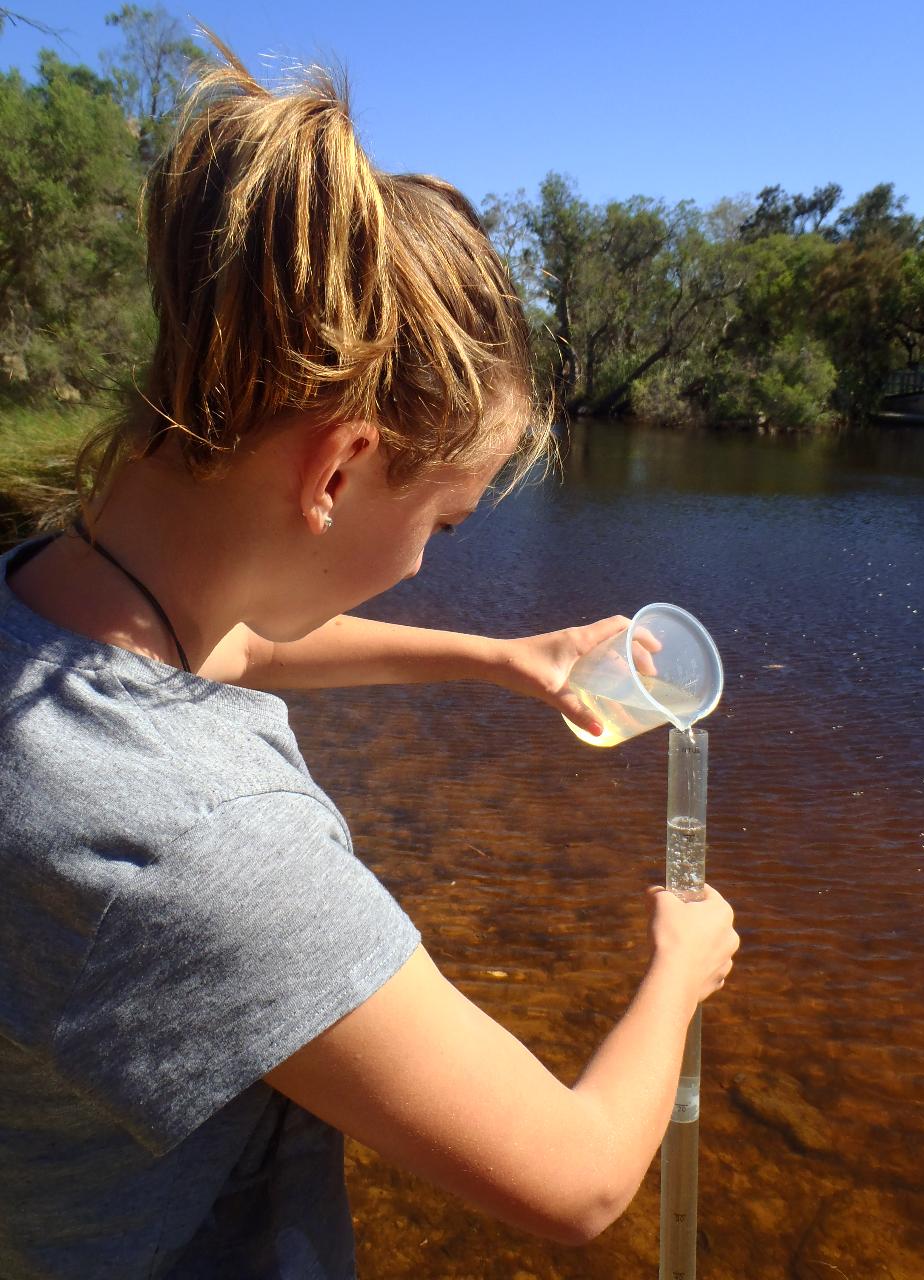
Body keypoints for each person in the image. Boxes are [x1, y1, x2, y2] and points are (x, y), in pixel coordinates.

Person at [0, 34, 739, 1280]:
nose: (427, 562)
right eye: (444, 524)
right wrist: (678, 975)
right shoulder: (203, 843)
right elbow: (576, 1175)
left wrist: (501, 656)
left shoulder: (45, 604)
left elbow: (221, 652)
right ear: (338, 469)